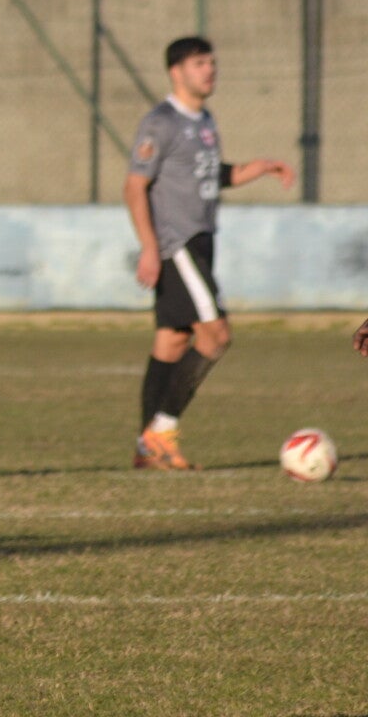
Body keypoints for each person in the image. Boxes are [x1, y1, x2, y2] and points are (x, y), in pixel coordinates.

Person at [125, 36, 294, 470]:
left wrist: (258, 168)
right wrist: (150, 248)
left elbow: (209, 174)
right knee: (216, 335)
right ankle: (161, 432)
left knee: (173, 340)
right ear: (176, 72)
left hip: (201, 241)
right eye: (200, 63)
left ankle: (148, 449)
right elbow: (134, 186)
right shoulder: (161, 122)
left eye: (212, 63)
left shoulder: (204, 120)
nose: (210, 70)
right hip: (176, 244)